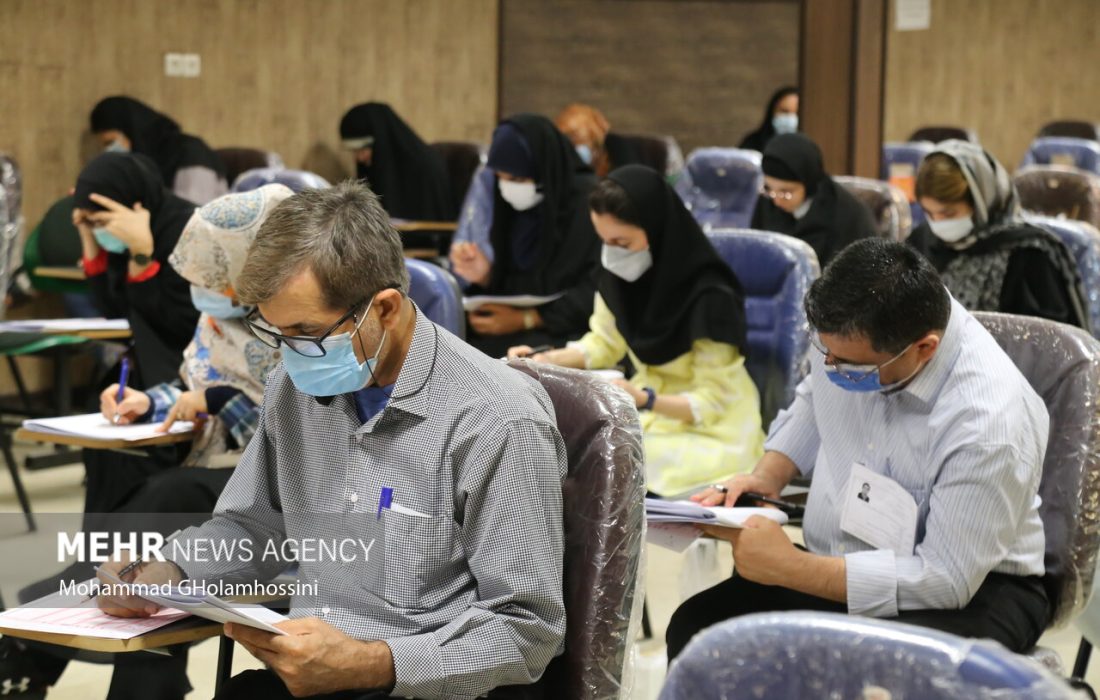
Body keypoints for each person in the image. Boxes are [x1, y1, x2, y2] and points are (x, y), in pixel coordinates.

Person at [95, 181, 568, 700]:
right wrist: (168, 569)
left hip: (431, 685)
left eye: (307, 332)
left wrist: (370, 665)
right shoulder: (293, 388)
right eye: (275, 333)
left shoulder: (497, 420)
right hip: (313, 677)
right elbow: (256, 525)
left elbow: (527, 630)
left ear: (385, 308)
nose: (290, 355)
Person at [665, 239, 1051, 660]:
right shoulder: (850, 337)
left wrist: (793, 569)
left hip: (977, 586)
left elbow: (946, 579)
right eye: (824, 351)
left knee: (858, 669)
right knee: (699, 633)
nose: (831, 366)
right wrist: (765, 479)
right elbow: (816, 397)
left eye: (850, 365)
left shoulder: (989, 423)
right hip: (845, 553)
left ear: (924, 348)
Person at [0, 186, 292, 700]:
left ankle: (48, 628)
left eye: (216, 273)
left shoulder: (297, 323)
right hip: (214, 474)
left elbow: (294, 442)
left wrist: (221, 400)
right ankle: (127, 660)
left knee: (166, 501)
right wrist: (149, 402)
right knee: (143, 503)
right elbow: (190, 384)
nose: (205, 286)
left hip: (277, 492)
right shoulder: (218, 318)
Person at [509, 165, 764, 497]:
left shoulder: (710, 297)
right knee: (570, 450)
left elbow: (713, 402)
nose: (612, 253)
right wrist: (541, 360)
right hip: (649, 417)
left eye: (621, 242)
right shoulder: (619, 279)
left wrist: (646, 399)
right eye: (604, 242)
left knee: (614, 463)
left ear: (656, 231)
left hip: (715, 431)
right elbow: (603, 344)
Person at [449, 114, 601, 358]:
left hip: (568, 329)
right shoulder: (509, 205)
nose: (506, 187)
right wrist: (487, 276)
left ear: (545, 172)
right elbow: (519, 281)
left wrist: (527, 319)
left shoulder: (589, 204)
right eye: (500, 178)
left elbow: (596, 292)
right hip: (510, 328)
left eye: (517, 179)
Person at [907, 140, 1087, 330]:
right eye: (929, 213)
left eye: (949, 214)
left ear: (982, 203)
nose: (938, 224)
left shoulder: (1029, 254)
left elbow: (1045, 345)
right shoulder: (922, 240)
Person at [750, 133, 876, 267]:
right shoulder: (767, 201)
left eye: (786, 192)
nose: (777, 201)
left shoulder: (849, 215)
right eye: (768, 189)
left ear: (808, 183)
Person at [90, 96, 228, 204]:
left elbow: (192, 217)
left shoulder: (190, 152)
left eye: (111, 142)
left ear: (133, 131)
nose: (109, 150)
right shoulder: (143, 166)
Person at [338, 102, 454, 222]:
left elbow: (434, 226)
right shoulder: (374, 168)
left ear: (380, 143)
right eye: (354, 151)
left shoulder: (425, 168)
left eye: (362, 149)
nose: (359, 158)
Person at [738, 86, 799, 152]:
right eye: (784, 111)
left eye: (797, 113)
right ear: (772, 112)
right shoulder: (752, 143)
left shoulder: (809, 147)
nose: (790, 117)